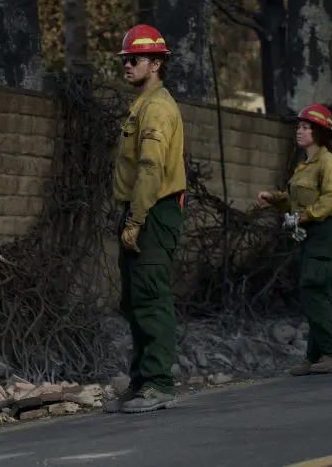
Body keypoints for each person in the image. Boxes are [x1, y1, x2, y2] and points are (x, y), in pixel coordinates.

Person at [104, 24, 187, 415]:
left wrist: (136, 219)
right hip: (140, 209)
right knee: (135, 300)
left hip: (154, 210)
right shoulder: (143, 104)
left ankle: (159, 383)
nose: (127, 65)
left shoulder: (156, 107)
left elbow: (151, 168)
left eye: (133, 59)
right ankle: (141, 382)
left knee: (152, 297)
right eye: (125, 59)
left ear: (155, 63)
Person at [257, 103, 332, 376]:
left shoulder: (329, 162)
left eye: (305, 127)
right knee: (311, 291)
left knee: (313, 287)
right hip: (309, 233)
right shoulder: (303, 167)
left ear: (319, 132)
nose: (300, 130)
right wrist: (275, 198)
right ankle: (315, 355)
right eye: (299, 126)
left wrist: (305, 216)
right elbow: (293, 201)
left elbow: (331, 199)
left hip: (325, 229)